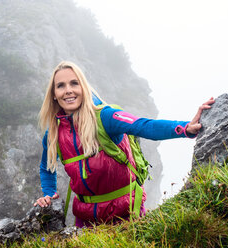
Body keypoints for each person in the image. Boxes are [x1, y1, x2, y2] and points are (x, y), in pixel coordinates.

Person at [34, 61, 214, 227]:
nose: (68, 90)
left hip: (126, 214)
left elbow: (144, 126)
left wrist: (185, 128)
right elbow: (46, 167)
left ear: (84, 88)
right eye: (61, 86)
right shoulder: (53, 134)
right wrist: (49, 193)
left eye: (74, 83)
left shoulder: (106, 117)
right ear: (54, 95)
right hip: (86, 220)